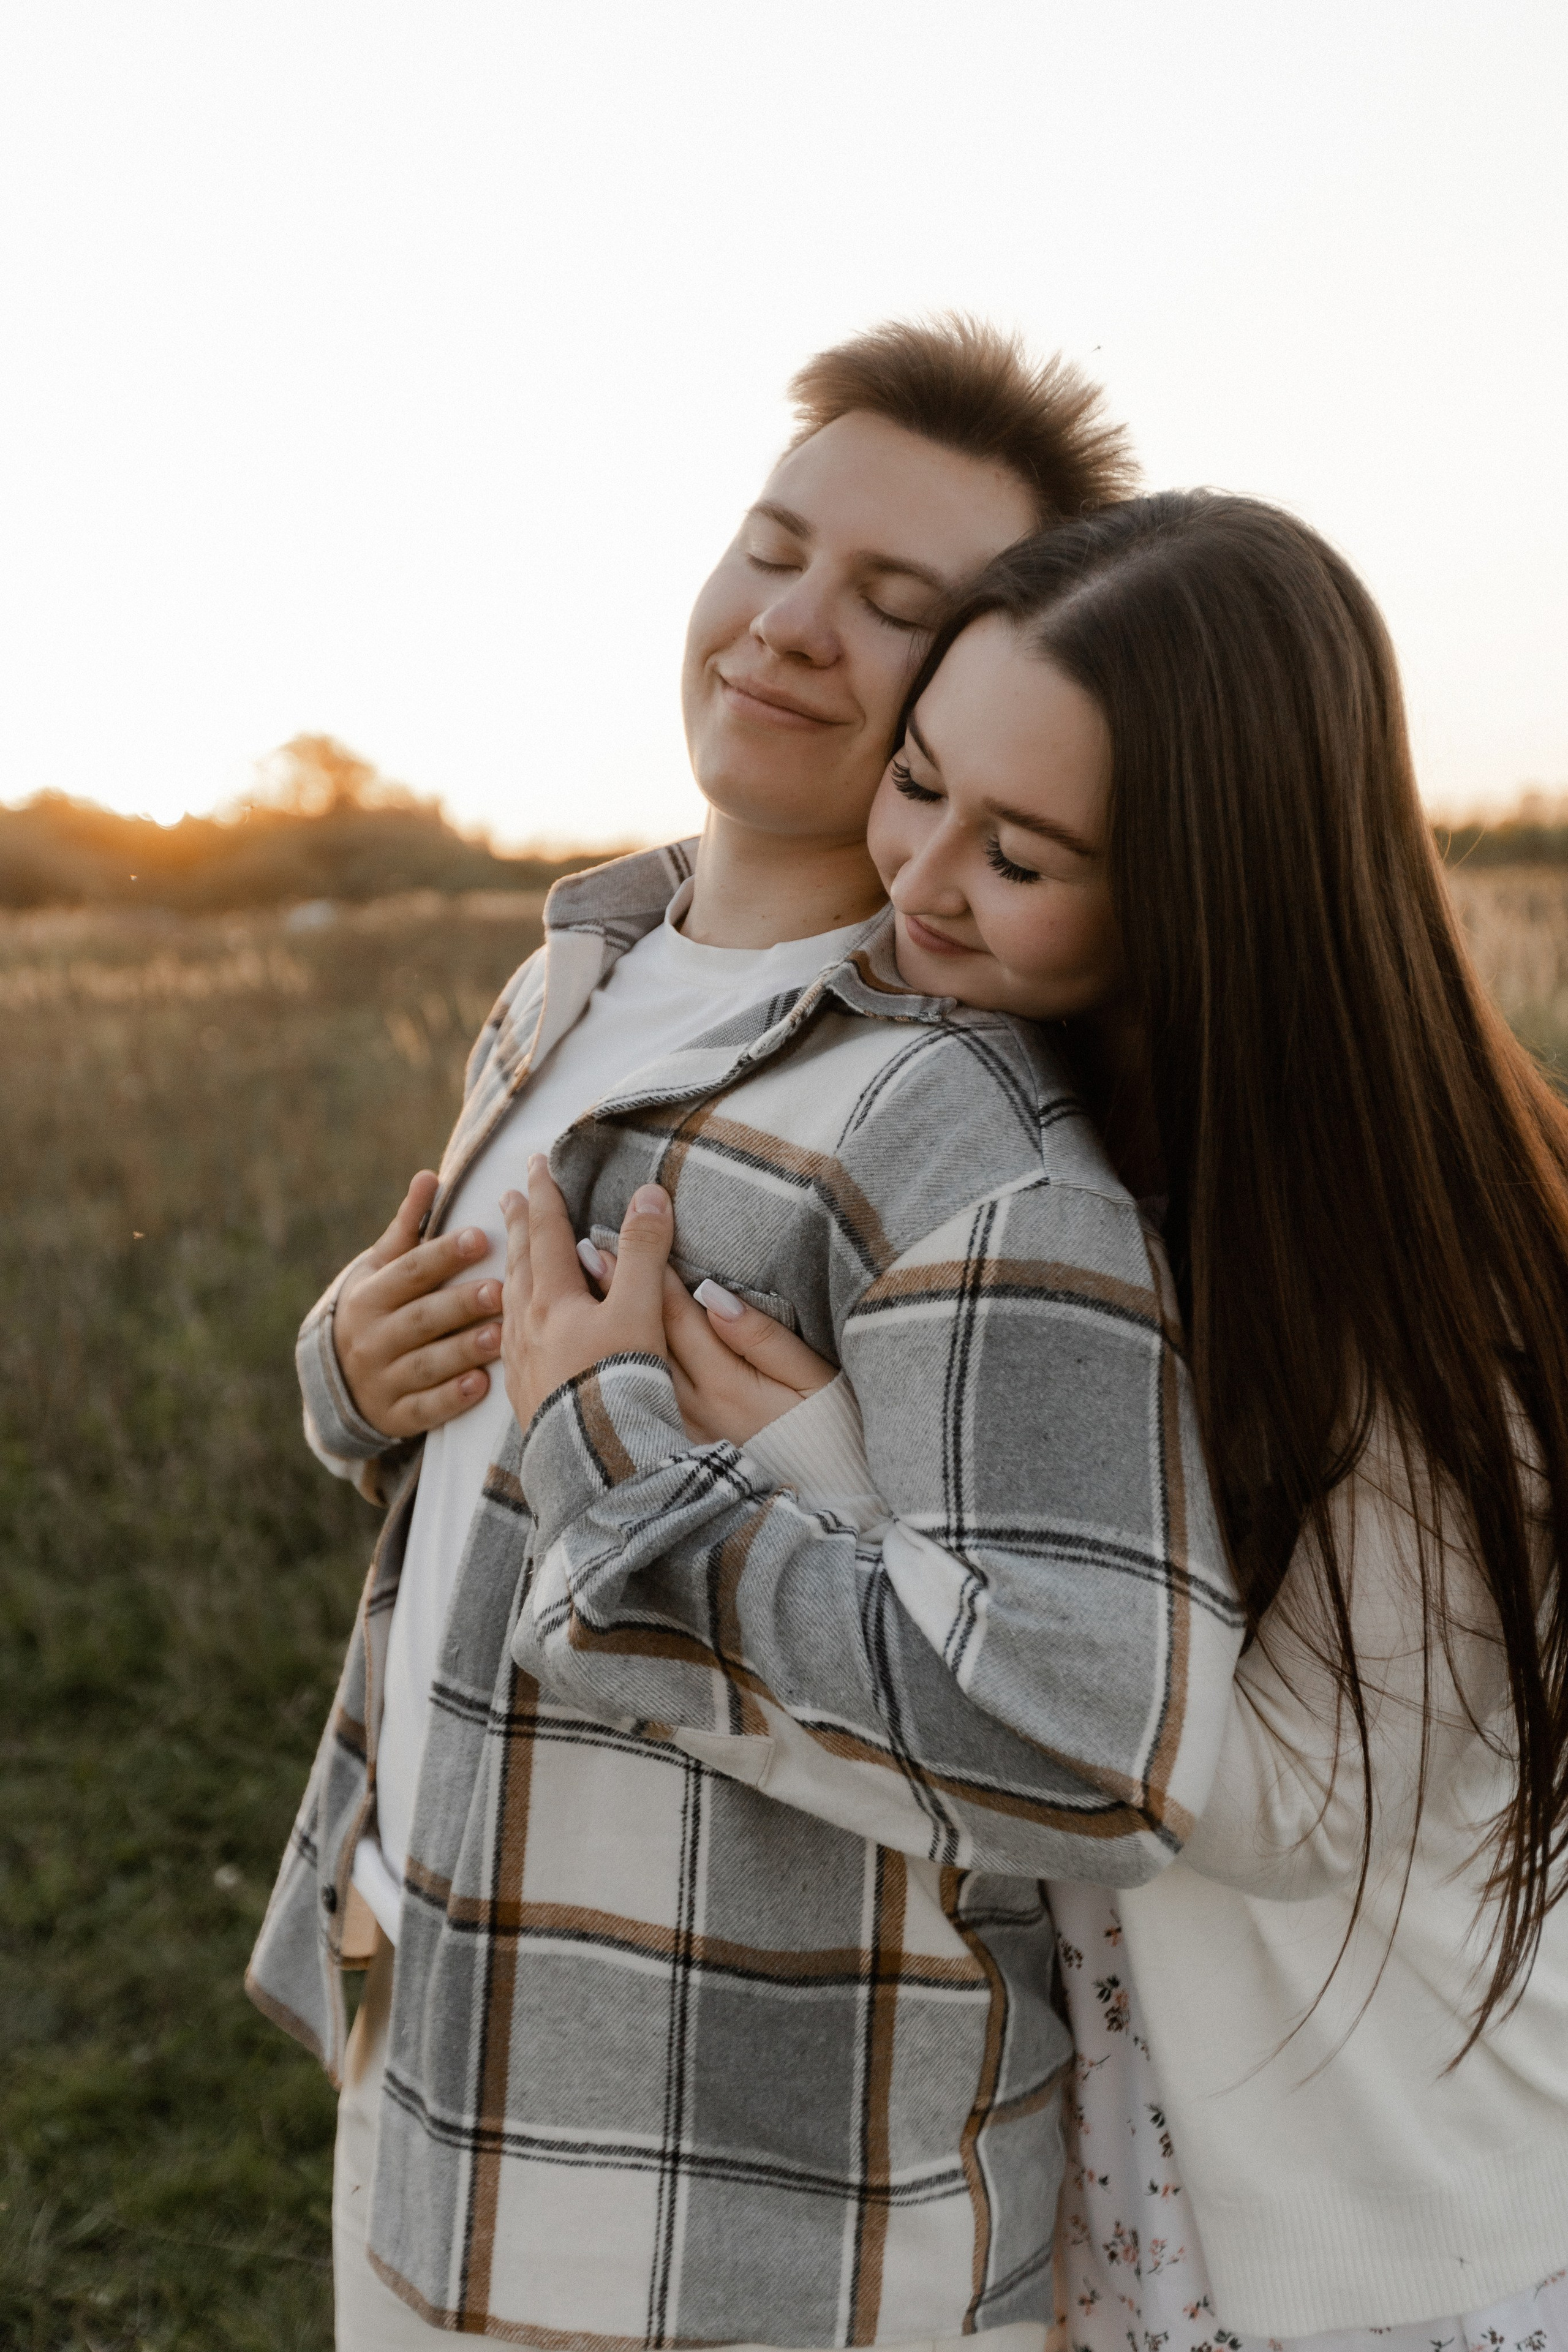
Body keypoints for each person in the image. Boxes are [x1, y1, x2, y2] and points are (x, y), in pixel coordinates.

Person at [247, 320, 1246, 2348]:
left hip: (756, 2239)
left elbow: (1099, 1752)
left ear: (987, 693)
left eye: (892, 606)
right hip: (439, 2089)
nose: (789, 625)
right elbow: (463, 1441)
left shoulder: (965, 1127)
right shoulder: (575, 980)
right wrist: (348, 1375)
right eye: (774, 546)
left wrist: (627, 1466)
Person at [506, 492, 1568, 2352]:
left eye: (1023, 854)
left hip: (1385, 2238)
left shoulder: (1409, 1278)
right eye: (918, 783)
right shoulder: (1024, 1117)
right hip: (1121, 2186)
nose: (918, 879)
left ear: (1210, 890)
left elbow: (1263, 1801)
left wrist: (837, 1482)